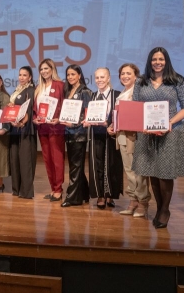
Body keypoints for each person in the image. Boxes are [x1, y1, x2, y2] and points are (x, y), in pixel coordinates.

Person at [133, 47, 184, 229]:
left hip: (170, 132)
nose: (158, 62)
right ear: (150, 61)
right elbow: (136, 107)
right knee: (152, 172)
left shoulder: (177, 80)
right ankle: (159, 207)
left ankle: (165, 210)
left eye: (161, 59)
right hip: (147, 134)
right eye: (154, 59)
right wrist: (141, 125)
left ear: (166, 60)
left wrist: (169, 122)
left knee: (165, 173)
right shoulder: (141, 82)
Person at [108, 63, 152, 217]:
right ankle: (133, 200)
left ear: (136, 76)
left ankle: (143, 202)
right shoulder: (122, 93)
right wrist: (112, 126)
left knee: (138, 170)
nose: (125, 76)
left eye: (128, 73)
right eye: (122, 74)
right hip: (121, 135)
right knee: (128, 170)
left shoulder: (139, 92)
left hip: (134, 136)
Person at [86, 67, 123, 209]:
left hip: (111, 135)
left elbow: (120, 115)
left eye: (102, 77)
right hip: (95, 134)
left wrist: (110, 124)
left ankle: (110, 195)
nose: (99, 80)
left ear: (108, 78)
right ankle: (100, 195)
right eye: (97, 78)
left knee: (112, 165)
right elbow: (87, 115)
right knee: (97, 164)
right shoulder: (92, 96)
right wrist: (86, 121)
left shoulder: (117, 96)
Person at [32, 59, 65, 202]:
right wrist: (34, 118)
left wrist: (60, 118)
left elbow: (65, 105)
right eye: (41, 69)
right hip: (42, 127)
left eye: (47, 68)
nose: (44, 71)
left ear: (52, 69)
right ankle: (53, 188)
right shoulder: (38, 88)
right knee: (47, 159)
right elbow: (35, 109)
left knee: (57, 159)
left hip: (55, 127)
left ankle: (59, 189)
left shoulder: (60, 85)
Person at [59, 65, 91, 207]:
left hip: (79, 133)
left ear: (79, 75)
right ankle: (84, 193)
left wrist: (74, 124)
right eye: (68, 74)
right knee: (75, 166)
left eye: (73, 74)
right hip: (68, 133)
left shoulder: (85, 91)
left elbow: (87, 113)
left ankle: (72, 198)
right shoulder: (69, 90)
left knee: (75, 167)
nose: (70, 77)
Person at [8, 66, 37, 199]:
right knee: (15, 160)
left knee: (26, 161)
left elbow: (29, 110)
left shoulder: (31, 90)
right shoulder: (17, 90)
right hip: (15, 129)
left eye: (24, 75)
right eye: (20, 75)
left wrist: (22, 122)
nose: (21, 77)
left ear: (30, 77)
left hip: (25, 130)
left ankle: (26, 191)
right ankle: (16, 189)